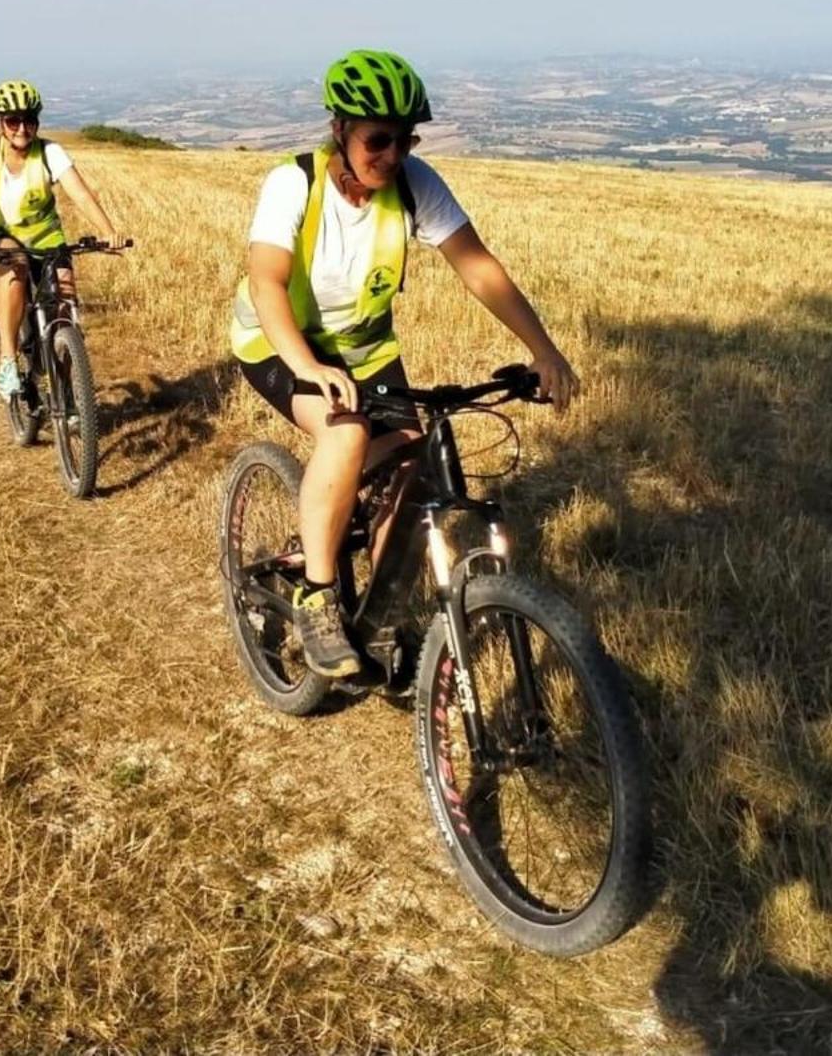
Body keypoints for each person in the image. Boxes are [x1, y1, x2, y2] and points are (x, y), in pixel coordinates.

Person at [230, 49, 580, 677]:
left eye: (406, 140)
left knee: (414, 455)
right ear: (341, 130)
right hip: (278, 343)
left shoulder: (416, 185)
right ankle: (317, 594)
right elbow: (267, 285)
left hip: (367, 349)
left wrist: (544, 350)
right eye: (378, 139)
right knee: (345, 435)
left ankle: (383, 617)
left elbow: (477, 267)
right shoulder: (294, 183)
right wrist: (307, 366)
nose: (392, 155)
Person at [0, 79, 122, 400]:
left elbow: (81, 193)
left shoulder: (50, 152)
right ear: (0, 123)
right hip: (2, 236)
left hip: (47, 237)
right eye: (13, 120)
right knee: (16, 271)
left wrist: (108, 231)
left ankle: (66, 390)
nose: (22, 128)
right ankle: (8, 360)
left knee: (64, 308)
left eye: (29, 120)